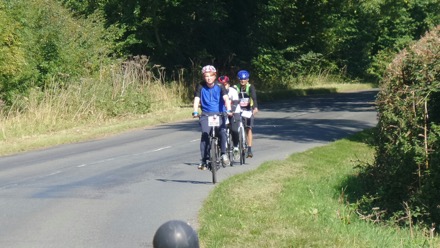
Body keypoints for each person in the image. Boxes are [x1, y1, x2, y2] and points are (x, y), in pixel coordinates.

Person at [193, 65, 233, 170]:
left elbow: (226, 98)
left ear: (215, 76)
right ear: (203, 77)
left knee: (222, 132)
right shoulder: (200, 86)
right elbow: (197, 99)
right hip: (206, 114)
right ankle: (204, 160)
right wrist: (195, 111)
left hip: (219, 114)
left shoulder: (220, 85)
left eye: (211, 76)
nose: (208, 78)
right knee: (205, 134)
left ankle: (223, 154)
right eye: (206, 76)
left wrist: (228, 110)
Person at [234, 70, 258, 158]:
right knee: (234, 128)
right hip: (238, 109)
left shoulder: (250, 87)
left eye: (244, 79)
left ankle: (249, 149)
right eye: (241, 79)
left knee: (248, 128)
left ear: (247, 79)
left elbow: (254, 97)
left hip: (248, 109)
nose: (242, 81)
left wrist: (255, 107)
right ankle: (235, 146)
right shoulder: (236, 87)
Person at [218, 75, 240, 161]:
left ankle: (235, 147)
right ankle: (222, 150)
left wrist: (231, 111)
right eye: (221, 84)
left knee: (234, 129)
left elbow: (235, 102)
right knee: (220, 131)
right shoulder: (218, 92)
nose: (224, 86)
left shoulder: (233, 91)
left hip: (234, 112)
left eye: (225, 84)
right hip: (223, 113)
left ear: (228, 84)